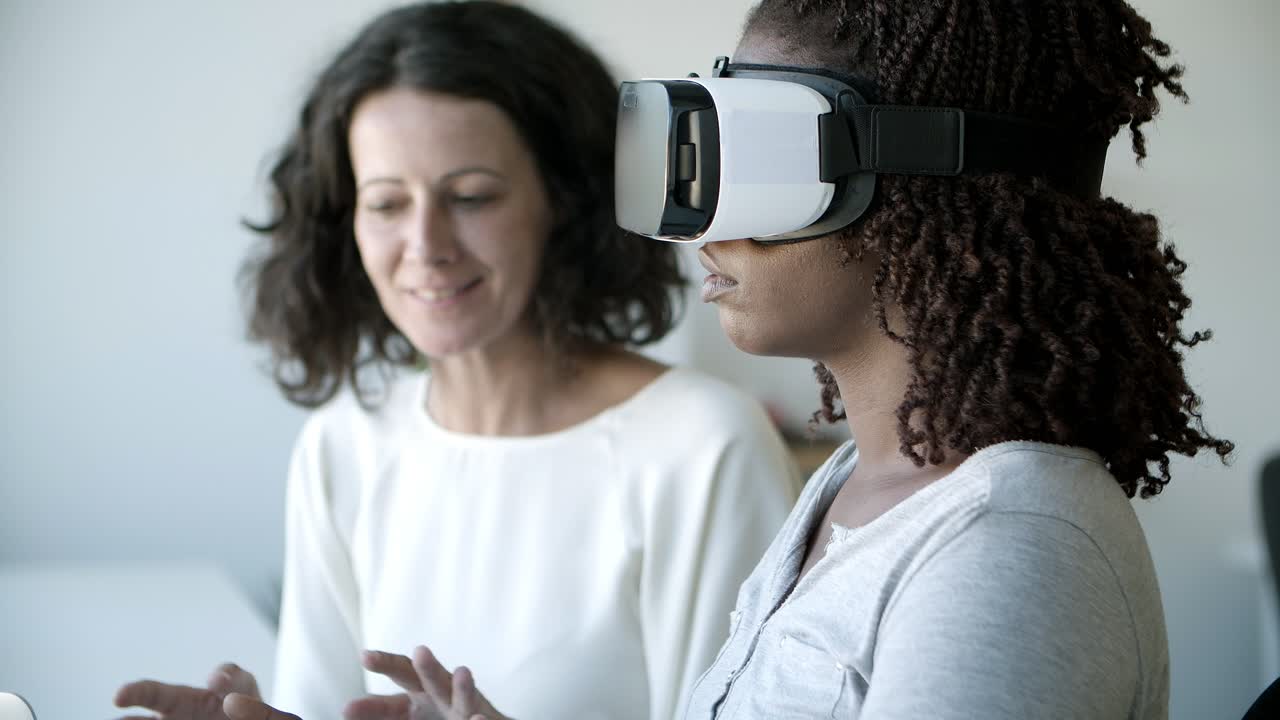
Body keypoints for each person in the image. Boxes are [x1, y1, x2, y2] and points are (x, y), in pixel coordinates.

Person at [204, 0, 1235, 718]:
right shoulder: (849, 495)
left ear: (926, 189)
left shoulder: (1013, 546)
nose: (706, 224)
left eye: (763, 161)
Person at [112, 2, 799, 720]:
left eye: (470, 196)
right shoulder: (343, 445)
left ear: (565, 201)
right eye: (385, 204)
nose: (426, 244)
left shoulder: (704, 448)